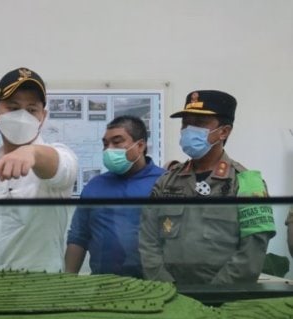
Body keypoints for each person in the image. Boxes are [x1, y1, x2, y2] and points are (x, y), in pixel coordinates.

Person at [139, 90, 275, 285]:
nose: (188, 130)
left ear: (224, 131)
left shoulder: (247, 183)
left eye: (199, 123)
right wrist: (166, 287)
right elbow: (148, 240)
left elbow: (251, 252)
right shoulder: (166, 181)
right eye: (185, 123)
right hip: (169, 293)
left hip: (223, 295)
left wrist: (214, 293)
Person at [0, 67, 78, 272]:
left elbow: (64, 167)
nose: (23, 116)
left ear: (43, 116)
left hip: (39, 285)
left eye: (32, 110)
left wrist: (32, 152)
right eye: (13, 107)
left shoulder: (57, 155)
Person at [65, 115, 165, 277]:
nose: (109, 149)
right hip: (102, 283)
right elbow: (78, 236)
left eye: (117, 142)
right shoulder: (95, 186)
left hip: (153, 283)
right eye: (105, 144)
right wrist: (68, 279)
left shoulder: (164, 182)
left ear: (140, 146)